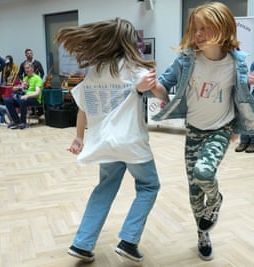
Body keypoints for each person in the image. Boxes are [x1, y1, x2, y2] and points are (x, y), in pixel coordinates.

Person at [138, 2, 254, 261]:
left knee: (204, 172)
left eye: (205, 28)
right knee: (194, 192)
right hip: (194, 131)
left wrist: (237, 129)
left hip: (220, 129)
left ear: (223, 28)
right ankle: (202, 233)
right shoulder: (186, 60)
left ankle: (216, 199)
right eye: (196, 28)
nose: (198, 33)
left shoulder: (237, 62)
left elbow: (241, 97)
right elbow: (163, 89)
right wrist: (151, 87)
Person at [55, 17, 166, 263]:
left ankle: (82, 244)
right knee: (149, 186)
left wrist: (78, 137)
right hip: (131, 143)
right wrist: (153, 86)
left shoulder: (94, 71)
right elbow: (161, 94)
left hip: (104, 144)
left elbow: (82, 108)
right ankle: (129, 240)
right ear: (126, 42)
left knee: (104, 189)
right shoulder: (134, 68)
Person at [4, 62, 43, 129]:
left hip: (34, 99)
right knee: (8, 100)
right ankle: (16, 121)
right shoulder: (25, 78)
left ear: (32, 69)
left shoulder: (37, 78)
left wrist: (27, 96)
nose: (26, 70)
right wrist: (17, 88)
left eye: (28, 68)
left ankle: (23, 122)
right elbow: (23, 90)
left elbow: (37, 93)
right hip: (23, 97)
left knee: (22, 99)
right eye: (25, 68)